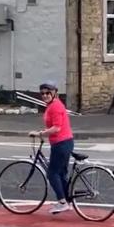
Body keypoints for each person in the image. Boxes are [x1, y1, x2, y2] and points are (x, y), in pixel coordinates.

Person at [29, 81, 74, 214]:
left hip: (61, 144)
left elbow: (56, 128)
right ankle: (67, 201)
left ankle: (62, 202)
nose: (45, 95)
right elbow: (53, 126)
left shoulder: (55, 107)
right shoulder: (53, 105)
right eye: (42, 93)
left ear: (54, 93)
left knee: (52, 173)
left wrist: (40, 133)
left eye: (48, 92)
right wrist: (44, 132)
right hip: (64, 142)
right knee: (61, 174)